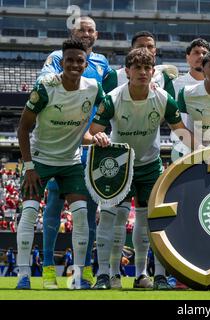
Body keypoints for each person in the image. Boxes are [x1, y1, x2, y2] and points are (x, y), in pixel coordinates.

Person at [86, 47, 198, 290]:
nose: (143, 72)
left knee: (151, 222)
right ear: (127, 71)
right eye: (137, 68)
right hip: (118, 166)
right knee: (109, 219)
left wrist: (205, 150)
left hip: (150, 166)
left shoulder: (163, 99)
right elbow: (92, 132)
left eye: (147, 68)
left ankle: (151, 276)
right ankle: (107, 275)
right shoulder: (113, 98)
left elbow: (182, 132)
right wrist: (100, 137)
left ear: (152, 71)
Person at [16, 39, 104, 290]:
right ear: (62, 62)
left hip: (71, 161)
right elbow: (23, 128)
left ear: (86, 64)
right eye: (70, 60)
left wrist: (96, 136)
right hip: (41, 159)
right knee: (31, 212)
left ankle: (78, 276)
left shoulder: (94, 88)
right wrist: (30, 166)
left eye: (79, 60)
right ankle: (24, 275)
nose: (75, 64)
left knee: (81, 216)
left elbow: (105, 114)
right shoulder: (45, 86)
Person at [38, 16, 116, 289]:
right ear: (73, 32)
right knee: (54, 207)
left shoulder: (103, 63)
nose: (86, 33)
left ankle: (82, 271)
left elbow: (108, 101)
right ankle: (48, 268)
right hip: (60, 144)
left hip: (88, 144)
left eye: (90, 30)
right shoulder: (58, 57)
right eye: (81, 29)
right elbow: (45, 84)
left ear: (97, 34)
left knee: (89, 209)